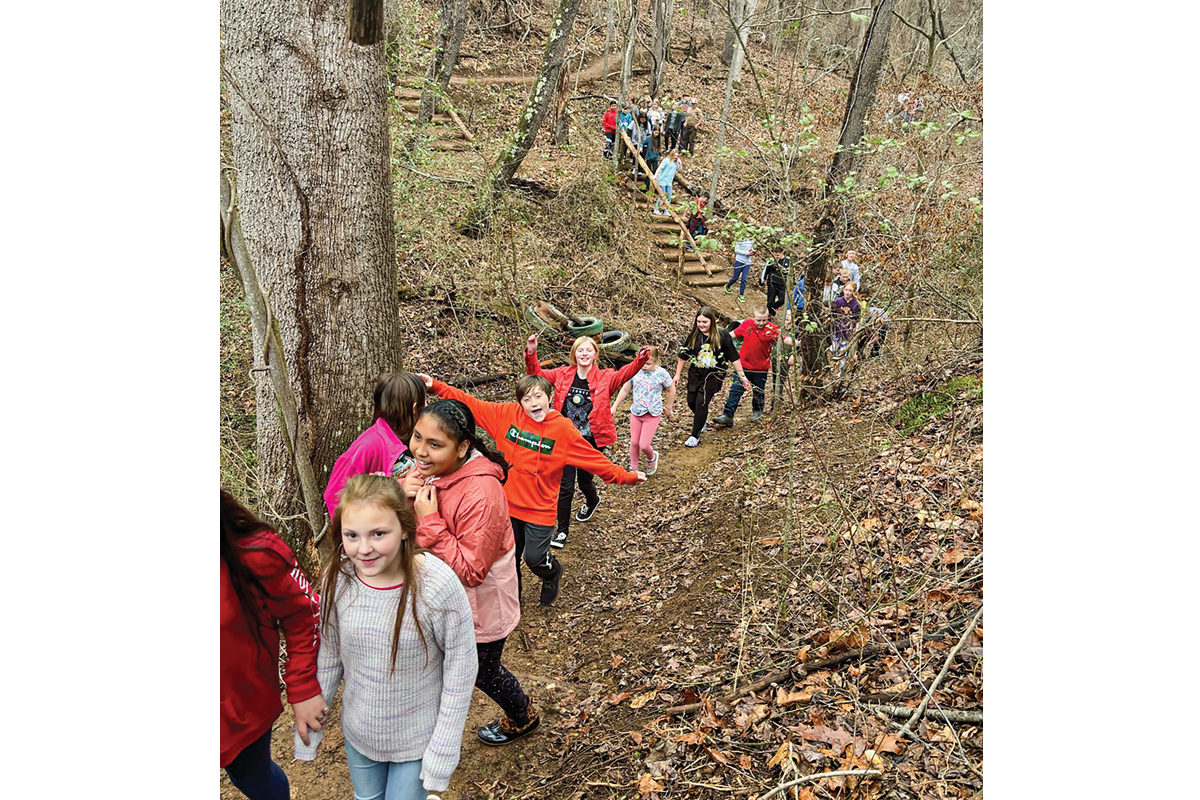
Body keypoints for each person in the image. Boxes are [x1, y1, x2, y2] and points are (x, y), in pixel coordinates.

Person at [295, 474, 478, 799]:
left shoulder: (437, 586)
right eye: (352, 535)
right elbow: (331, 654)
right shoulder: (340, 578)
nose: (363, 549)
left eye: (378, 534)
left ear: (406, 529)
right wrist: (311, 728)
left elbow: (461, 671)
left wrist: (444, 749)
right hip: (360, 735)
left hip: (418, 739)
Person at [417, 372, 647, 606]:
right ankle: (512, 602)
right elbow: (471, 404)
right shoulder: (506, 415)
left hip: (540, 509)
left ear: (550, 397)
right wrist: (436, 386)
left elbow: (595, 460)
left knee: (534, 558)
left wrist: (625, 477)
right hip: (506, 505)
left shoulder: (563, 431)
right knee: (510, 559)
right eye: (526, 399)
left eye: (538, 396)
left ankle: (552, 572)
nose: (534, 403)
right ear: (519, 402)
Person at [404, 399, 539, 746]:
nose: (420, 450)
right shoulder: (433, 471)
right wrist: (404, 493)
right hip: (448, 599)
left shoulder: (482, 492)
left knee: (483, 671)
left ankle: (521, 716)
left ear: (463, 447)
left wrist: (429, 522)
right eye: (417, 437)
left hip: (481, 605)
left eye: (435, 445)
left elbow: (472, 570)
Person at [222, 489, 324, 800]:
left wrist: (303, 683)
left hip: (237, 711)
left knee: (254, 780)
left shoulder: (252, 550)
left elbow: (302, 614)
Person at [524, 333, 650, 550]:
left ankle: (592, 501)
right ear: (574, 353)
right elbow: (535, 374)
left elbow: (625, 373)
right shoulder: (563, 374)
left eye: (588, 350)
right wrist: (531, 352)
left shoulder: (606, 377)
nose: (584, 353)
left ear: (595, 354)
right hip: (564, 438)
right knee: (565, 487)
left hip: (591, 440)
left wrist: (640, 359)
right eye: (580, 350)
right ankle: (562, 530)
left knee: (584, 481)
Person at [323, 372, 427, 518]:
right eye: (425, 402)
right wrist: (398, 490)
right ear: (415, 408)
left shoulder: (413, 437)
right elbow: (334, 497)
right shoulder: (369, 446)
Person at [672, 306, 753, 447]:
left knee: (701, 402)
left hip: (713, 374)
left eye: (705, 322)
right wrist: (677, 374)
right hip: (696, 372)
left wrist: (742, 376)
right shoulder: (694, 336)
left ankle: (694, 435)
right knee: (691, 400)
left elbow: (734, 357)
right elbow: (683, 355)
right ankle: (700, 420)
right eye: (699, 322)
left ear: (712, 322)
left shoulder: (722, 336)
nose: (701, 325)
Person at [712, 307, 794, 427]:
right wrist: (717, 339)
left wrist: (797, 343)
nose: (761, 323)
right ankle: (728, 415)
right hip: (743, 366)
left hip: (761, 368)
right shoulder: (747, 324)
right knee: (736, 390)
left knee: (758, 391)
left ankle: (757, 412)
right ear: (753, 317)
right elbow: (733, 335)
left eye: (764, 320)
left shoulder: (772, 329)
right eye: (758, 320)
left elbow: (784, 339)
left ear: (768, 318)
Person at [609, 346, 676, 473]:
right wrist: (614, 406)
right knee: (634, 442)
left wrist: (669, 407)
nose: (644, 366)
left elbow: (671, 389)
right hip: (636, 412)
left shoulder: (661, 374)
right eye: (642, 362)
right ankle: (634, 468)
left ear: (656, 361)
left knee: (644, 444)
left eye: (648, 363)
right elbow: (625, 389)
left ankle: (652, 457)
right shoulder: (635, 372)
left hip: (652, 414)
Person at [830, 281, 862, 376]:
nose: (847, 292)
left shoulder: (856, 304)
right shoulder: (838, 301)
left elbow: (858, 319)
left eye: (850, 291)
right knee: (834, 350)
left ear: (854, 292)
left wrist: (856, 329)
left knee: (843, 352)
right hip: (837, 330)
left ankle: (840, 371)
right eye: (846, 290)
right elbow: (832, 314)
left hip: (848, 332)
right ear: (843, 290)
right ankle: (833, 369)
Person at [856, 288, 890, 358]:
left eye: (865, 297)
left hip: (877, 320)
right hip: (866, 320)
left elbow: (880, 333)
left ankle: (874, 351)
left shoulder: (885, 322)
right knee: (865, 335)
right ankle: (859, 352)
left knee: (881, 335)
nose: (864, 298)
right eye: (862, 296)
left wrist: (875, 337)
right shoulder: (857, 303)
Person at [760, 248, 789, 317]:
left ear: (782, 253)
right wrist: (762, 280)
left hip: (783, 284)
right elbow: (765, 270)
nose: (776, 257)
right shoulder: (771, 261)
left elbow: (791, 273)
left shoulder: (788, 261)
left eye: (778, 255)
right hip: (772, 282)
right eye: (775, 255)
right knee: (770, 300)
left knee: (783, 299)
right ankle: (768, 314)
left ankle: (773, 308)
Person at [725, 237, 755, 303]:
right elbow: (736, 250)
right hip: (739, 261)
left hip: (747, 263)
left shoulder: (752, 239)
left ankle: (741, 294)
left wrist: (753, 251)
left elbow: (751, 248)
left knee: (744, 279)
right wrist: (746, 253)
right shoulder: (740, 239)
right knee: (735, 277)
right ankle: (728, 285)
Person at [653, 150, 681, 216]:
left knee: (669, 196)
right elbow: (659, 168)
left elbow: (680, 170)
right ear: (672, 154)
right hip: (662, 180)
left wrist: (680, 163)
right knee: (662, 195)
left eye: (677, 156)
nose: (675, 157)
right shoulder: (666, 160)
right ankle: (656, 209)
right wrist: (655, 176)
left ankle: (666, 210)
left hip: (669, 182)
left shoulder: (676, 163)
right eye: (675, 155)